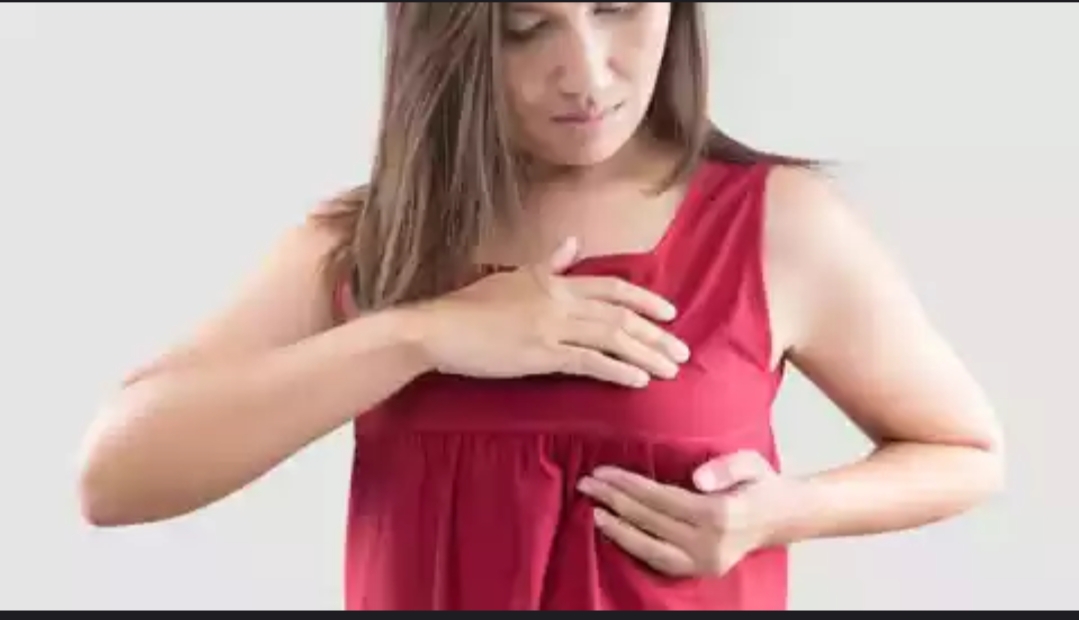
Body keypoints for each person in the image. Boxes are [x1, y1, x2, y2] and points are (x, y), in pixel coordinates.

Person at [75, 2, 1006, 611]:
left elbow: (964, 452)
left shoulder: (778, 226)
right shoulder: (372, 243)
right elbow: (113, 477)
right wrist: (421, 334)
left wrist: (781, 513)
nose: (587, 74)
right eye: (527, 27)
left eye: (617, 9)